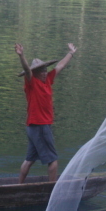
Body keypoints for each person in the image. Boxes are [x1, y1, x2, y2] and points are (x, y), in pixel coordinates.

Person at [15, 42, 77, 183]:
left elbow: (60, 66)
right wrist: (22, 56)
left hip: (36, 127)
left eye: (44, 70)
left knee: (29, 160)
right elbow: (26, 69)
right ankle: (51, 190)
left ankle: (19, 186)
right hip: (39, 125)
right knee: (53, 160)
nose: (44, 73)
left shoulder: (48, 80)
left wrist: (71, 53)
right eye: (41, 71)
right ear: (35, 73)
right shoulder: (31, 83)